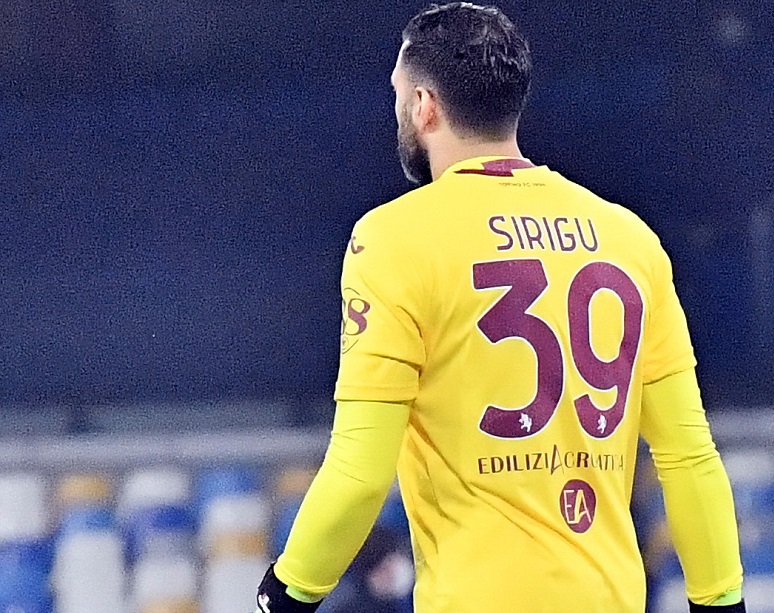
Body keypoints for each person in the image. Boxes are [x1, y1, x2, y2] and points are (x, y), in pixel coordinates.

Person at [255, 3, 745, 612]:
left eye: (400, 95)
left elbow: (359, 473)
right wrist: (720, 602)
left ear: (425, 105)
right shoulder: (629, 239)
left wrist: (286, 590)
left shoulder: (393, 240)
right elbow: (688, 455)